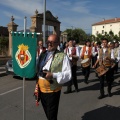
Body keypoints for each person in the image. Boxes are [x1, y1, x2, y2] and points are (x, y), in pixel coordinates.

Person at [35, 34, 72, 120]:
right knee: (47, 113)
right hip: (41, 89)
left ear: (58, 43)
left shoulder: (63, 56)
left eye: (52, 42)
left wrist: (53, 75)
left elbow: (68, 74)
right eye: (48, 42)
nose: (49, 44)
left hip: (53, 90)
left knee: (51, 115)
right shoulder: (43, 54)